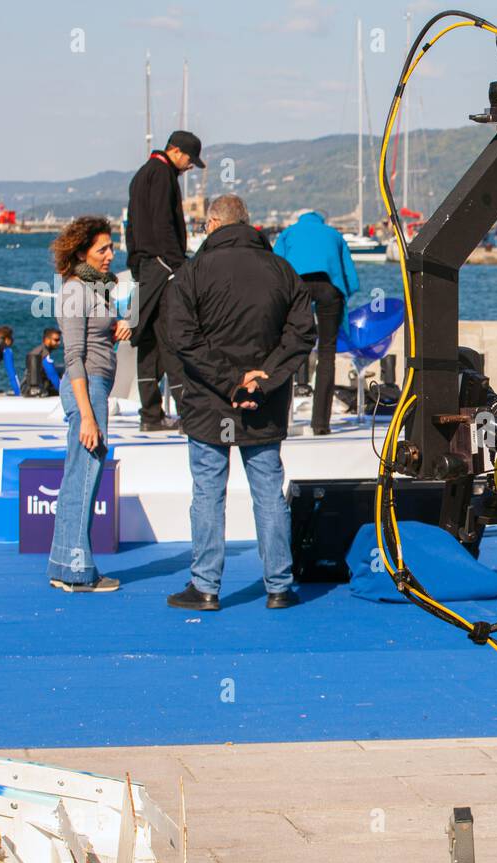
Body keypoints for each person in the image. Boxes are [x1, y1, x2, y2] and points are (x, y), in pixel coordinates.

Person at [162, 195, 316, 612]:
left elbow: (181, 338)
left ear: (212, 224)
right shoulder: (282, 271)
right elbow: (302, 333)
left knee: (209, 492)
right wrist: (262, 379)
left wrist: (231, 381)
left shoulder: (192, 274)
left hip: (210, 401)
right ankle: (279, 585)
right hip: (263, 401)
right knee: (268, 490)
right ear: (247, 223)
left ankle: (206, 586)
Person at [46, 217, 131, 593]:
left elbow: (93, 343)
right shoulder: (75, 291)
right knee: (83, 480)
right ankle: (78, 571)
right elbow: (75, 357)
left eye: (111, 247)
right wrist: (86, 415)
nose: (111, 254)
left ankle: (64, 564)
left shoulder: (94, 291)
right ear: (82, 253)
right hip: (87, 390)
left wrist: (115, 331)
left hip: (95, 387)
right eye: (103, 249)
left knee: (78, 476)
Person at [126, 129, 204, 432]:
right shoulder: (163, 175)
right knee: (172, 339)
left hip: (146, 267)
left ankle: (150, 414)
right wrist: (178, 265)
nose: (189, 167)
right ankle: (188, 415)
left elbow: (132, 224)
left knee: (146, 340)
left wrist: (135, 263)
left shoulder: (141, 174)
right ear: (176, 152)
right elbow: (163, 223)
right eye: (189, 160)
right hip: (164, 267)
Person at [271, 210, 360, 435]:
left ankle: (283, 418)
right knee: (327, 354)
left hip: (297, 287)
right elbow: (350, 275)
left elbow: (275, 267)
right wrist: (346, 295)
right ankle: (321, 424)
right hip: (329, 288)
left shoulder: (288, 233)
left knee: (288, 348)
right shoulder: (333, 235)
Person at [28, 327, 63, 396]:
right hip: (39, 389)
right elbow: (52, 374)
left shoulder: (39, 350)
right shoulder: (44, 353)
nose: (59, 342)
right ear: (47, 340)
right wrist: (61, 390)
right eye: (56, 340)